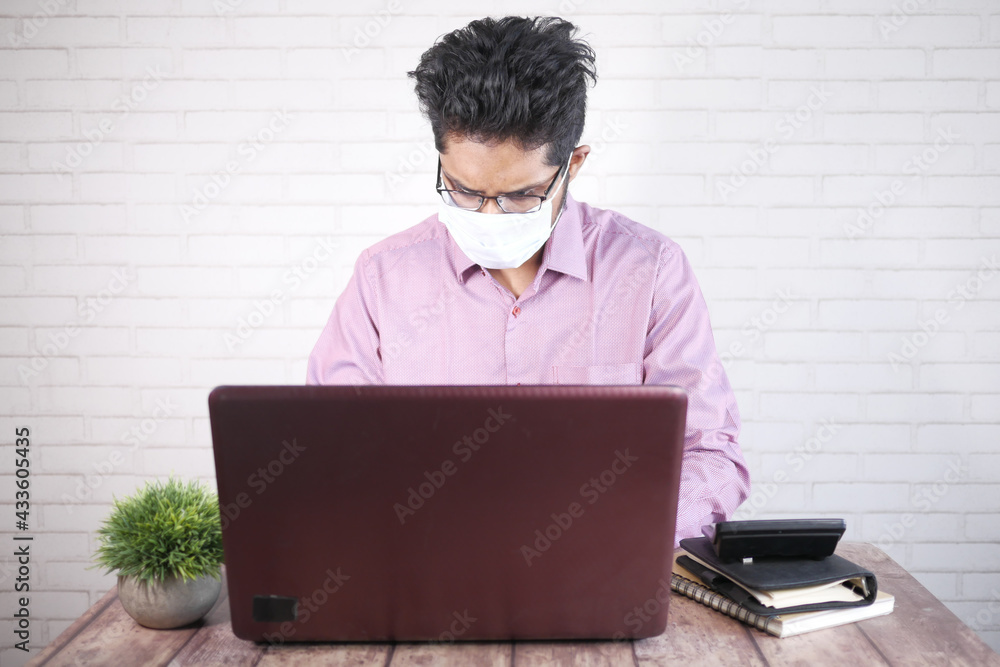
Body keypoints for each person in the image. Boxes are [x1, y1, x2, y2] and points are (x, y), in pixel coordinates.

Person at [307, 16, 750, 545]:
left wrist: (621, 531)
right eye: (464, 191)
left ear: (574, 164)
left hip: (601, 569)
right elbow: (331, 449)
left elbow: (708, 452)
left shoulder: (649, 271)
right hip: (430, 567)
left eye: (521, 195)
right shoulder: (384, 276)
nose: (489, 216)